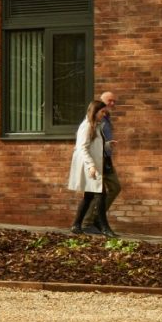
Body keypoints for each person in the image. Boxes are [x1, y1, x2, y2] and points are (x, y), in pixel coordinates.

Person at [67, 98, 108, 235]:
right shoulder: (86, 126)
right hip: (88, 165)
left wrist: (107, 145)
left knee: (89, 196)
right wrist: (91, 166)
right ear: (95, 111)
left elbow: (93, 145)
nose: (104, 114)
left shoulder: (95, 125)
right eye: (102, 111)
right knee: (100, 194)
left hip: (93, 165)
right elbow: (82, 148)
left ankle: (76, 225)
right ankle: (104, 228)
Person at [98, 90, 122, 235]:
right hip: (98, 158)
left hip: (107, 157)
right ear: (102, 102)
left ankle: (95, 218)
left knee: (115, 187)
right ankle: (90, 222)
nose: (112, 104)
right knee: (96, 193)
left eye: (114, 101)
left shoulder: (107, 117)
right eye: (110, 101)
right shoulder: (97, 118)